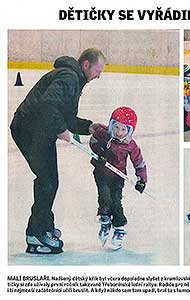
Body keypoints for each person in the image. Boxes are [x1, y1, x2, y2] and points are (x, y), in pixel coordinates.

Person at [10, 48, 106, 254]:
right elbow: (49, 105)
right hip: (29, 130)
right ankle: (36, 232)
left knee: (50, 180)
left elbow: (66, 116)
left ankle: (42, 226)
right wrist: (60, 129)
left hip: (39, 130)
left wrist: (88, 127)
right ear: (86, 65)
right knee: (47, 181)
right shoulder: (70, 77)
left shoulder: (74, 79)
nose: (99, 76)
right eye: (98, 71)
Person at [89, 106, 147, 250]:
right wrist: (100, 153)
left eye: (123, 129)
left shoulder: (130, 145)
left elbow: (139, 162)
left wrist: (141, 179)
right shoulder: (104, 135)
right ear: (111, 125)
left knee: (116, 202)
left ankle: (119, 229)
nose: (118, 132)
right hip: (101, 173)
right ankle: (105, 221)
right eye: (115, 127)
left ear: (130, 131)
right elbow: (93, 142)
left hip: (118, 177)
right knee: (104, 198)